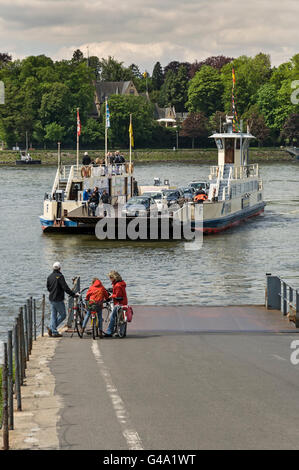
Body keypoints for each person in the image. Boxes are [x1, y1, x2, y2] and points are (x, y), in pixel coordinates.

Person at [46, 262, 78, 337]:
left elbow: (48, 287)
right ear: (60, 268)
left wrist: (52, 292)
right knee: (63, 315)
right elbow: (65, 287)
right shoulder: (60, 276)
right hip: (58, 299)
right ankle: (53, 329)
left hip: (51, 298)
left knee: (53, 315)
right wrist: (73, 294)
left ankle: (52, 329)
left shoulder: (49, 276)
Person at [104, 271, 128, 337]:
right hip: (124, 302)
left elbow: (118, 295)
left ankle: (109, 331)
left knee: (112, 316)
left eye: (110, 277)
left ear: (114, 278)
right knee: (121, 318)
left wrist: (111, 296)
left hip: (119, 303)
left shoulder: (117, 285)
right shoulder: (121, 283)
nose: (109, 279)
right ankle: (121, 331)